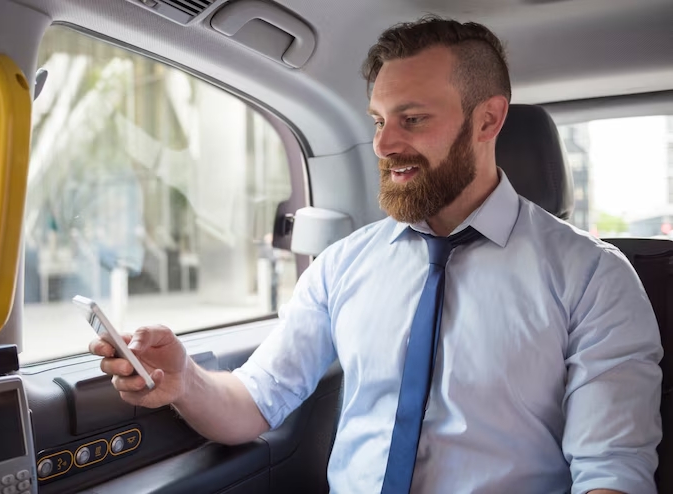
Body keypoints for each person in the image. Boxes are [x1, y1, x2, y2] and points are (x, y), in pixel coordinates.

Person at [89, 16, 662, 494]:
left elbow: (610, 472)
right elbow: (254, 402)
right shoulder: (342, 266)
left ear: (488, 119)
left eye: (412, 120)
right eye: (378, 121)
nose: (384, 145)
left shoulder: (593, 277)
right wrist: (184, 379)